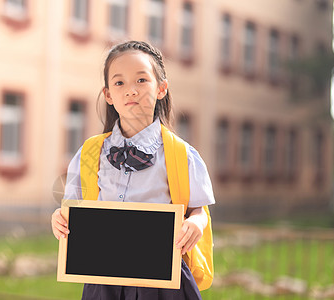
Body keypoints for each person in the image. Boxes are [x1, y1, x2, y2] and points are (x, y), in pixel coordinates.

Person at [51, 40, 215, 300]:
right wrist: (59, 219)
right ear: (108, 95)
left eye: (141, 80)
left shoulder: (181, 154)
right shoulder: (90, 153)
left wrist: (196, 222)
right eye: (119, 83)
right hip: (103, 280)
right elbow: (74, 208)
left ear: (161, 88)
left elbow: (199, 209)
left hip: (163, 282)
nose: (131, 91)